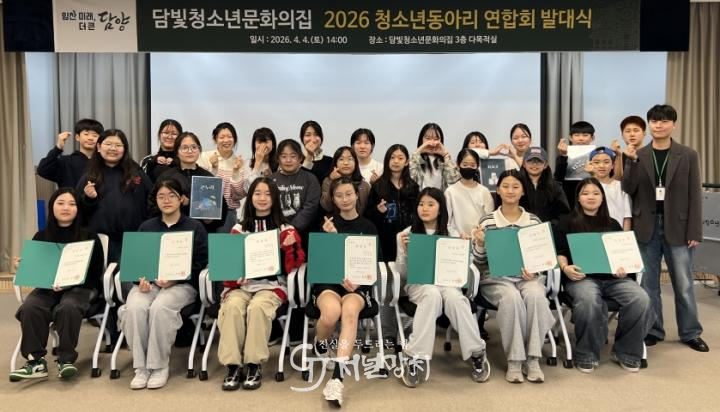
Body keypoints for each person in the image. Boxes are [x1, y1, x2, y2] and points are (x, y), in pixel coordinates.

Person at [621, 104, 708, 352]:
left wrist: (695, 230)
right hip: (646, 227)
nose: (658, 125)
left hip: (679, 227)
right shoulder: (638, 154)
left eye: (664, 121)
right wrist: (631, 162)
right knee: (649, 285)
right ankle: (653, 329)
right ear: (649, 125)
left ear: (674, 125)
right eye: (654, 121)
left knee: (684, 284)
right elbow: (628, 188)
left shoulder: (688, 155)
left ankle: (691, 332)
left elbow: (695, 194)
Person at [556, 178, 653, 372]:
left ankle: (626, 352)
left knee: (641, 298)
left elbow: (622, 256)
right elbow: (560, 252)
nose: (590, 197)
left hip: (613, 279)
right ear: (578, 198)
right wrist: (565, 268)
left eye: (595, 193)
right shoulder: (566, 222)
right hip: (582, 278)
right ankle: (586, 354)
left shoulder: (613, 224)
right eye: (585, 193)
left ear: (602, 198)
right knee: (589, 299)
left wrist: (623, 268)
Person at [394, 187, 489, 387]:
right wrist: (404, 252)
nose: (424, 208)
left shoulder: (452, 233)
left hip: (448, 283)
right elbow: (402, 274)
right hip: (420, 285)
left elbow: (463, 269)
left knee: (456, 299)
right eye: (421, 204)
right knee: (431, 294)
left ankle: (477, 352)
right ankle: (414, 356)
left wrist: (466, 249)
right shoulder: (406, 234)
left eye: (431, 204)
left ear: (440, 209)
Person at [119, 178, 208, 389]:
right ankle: (141, 367)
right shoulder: (146, 227)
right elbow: (137, 262)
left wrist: (175, 279)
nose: (166, 200)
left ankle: (159, 366)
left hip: (182, 285)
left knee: (160, 307)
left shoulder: (195, 227)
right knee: (134, 307)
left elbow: (202, 263)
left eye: (171, 196)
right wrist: (140, 280)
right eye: (161, 196)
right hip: (150, 284)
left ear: (182, 199)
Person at [218, 177, 305, 391]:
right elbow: (229, 265)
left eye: (267, 194)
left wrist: (289, 248)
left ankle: (253, 364)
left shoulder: (286, 229)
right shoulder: (238, 229)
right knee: (232, 307)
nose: (262, 198)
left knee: (257, 308)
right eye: (257, 193)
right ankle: (232, 365)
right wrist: (235, 278)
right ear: (250, 198)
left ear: (275, 198)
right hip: (241, 286)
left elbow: (294, 265)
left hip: (271, 287)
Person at [10, 188, 104, 381]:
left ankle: (66, 359)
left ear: (78, 209)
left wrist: (69, 283)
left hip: (81, 287)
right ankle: (35, 362)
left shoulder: (89, 237)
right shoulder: (41, 236)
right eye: (60, 203)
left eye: (72, 204)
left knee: (68, 306)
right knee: (31, 306)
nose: (66, 208)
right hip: (48, 287)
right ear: (52, 207)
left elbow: (96, 274)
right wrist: (25, 265)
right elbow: (37, 270)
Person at [471, 169, 554, 383]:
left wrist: (535, 269)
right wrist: (480, 243)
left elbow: (543, 257)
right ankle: (515, 360)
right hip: (496, 278)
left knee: (536, 296)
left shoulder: (533, 221)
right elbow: (479, 261)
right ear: (498, 190)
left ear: (523, 191)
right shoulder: (487, 221)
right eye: (505, 186)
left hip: (528, 277)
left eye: (516, 187)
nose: (510, 190)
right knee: (511, 298)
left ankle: (533, 358)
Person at [313, 177, 379, 407]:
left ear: (356, 195)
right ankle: (321, 342)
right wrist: (331, 238)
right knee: (331, 313)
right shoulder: (326, 225)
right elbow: (319, 262)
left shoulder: (368, 227)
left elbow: (373, 264)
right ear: (333, 199)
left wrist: (360, 282)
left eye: (349, 194)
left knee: (350, 312)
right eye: (339, 195)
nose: (345, 199)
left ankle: (337, 379)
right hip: (329, 283)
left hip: (357, 286)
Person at [77, 129, 153, 263]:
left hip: (133, 239)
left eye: (118, 145)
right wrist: (89, 199)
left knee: (130, 275)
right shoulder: (89, 177)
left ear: (124, 149)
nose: (113, 148)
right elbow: (78, 211)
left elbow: (152, 200)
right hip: (100, 240)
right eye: (108, 144)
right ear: (99, 147)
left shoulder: (137, 174)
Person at [157, 132, 229, 233]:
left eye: (194, 147)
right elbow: (153, 206)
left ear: (199, 150)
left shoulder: (208, 178)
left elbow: (221, 210)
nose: (190, 151)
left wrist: (211, 219)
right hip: (173, 232)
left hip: (202, 232)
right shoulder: (166, 177)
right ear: (177, 152)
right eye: (185, 148)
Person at [366, 144, 418, 262]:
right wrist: (378, 211)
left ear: (406, 162)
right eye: (392, 157)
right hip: (385, 241)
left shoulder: (413, 186)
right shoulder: (378, 186)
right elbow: (368, 214)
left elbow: (417, 213)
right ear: (387, 161)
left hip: (408, 239)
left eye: (400, 158)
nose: (396, 161)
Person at [197, 122, 249, 233]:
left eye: (230, 136)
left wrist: (235, 172)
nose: (226, 140)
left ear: (235, 139)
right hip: (203, 210)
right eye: (222, 137)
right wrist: (213, 169)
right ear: (215, 139)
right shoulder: (205, 157)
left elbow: (239, 195)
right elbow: (199, 187)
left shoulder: (239, 162)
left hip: (228, 213)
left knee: (223, 243)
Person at [270, 139, 321, 242]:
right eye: (284, 156)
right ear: (278, 159)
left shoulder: (310, 179)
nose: (288, 160)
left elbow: (310, 207)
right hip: (275, 234)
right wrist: (281, 230)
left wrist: (291, 229)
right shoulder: (270, 180)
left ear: (300, 158)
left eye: (293, 156)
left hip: (304, 235)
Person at [37, 118, 104, 188]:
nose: (90, 138)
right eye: (86, 134)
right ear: (77, 137)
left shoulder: (103, 163)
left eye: (94, 135)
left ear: (100, 140)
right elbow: (42, 170)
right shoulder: (65, 162)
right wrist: (58, 147)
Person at [445, 149, 494, 236]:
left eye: (472, 165)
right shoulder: (450, 192)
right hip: (458, 240)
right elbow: (447, 222)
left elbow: (489, 220)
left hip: (480, 240)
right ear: (458, 165)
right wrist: (457, 236)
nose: (468, 167)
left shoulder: (484, 191)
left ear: (477, 167)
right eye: (465, 164)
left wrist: (480, 235)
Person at [519, 147, 570, 224]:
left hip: (548, 230)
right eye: (530, 161)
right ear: (524, 164)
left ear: (545, 165)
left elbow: (564, 214)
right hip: (521, 229)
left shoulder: (555, 187)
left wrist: (549, 226)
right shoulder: (516, 185)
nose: (534, 164)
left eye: (539, 161)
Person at [586, 147, 632, 230]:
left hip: (617, 232)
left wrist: (625, 234)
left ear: (612, 165)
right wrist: (592, 174)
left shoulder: (620, 186)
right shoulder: (587, 187)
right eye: (596, 162)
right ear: (590, 165)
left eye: (606, 162)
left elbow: (627, 216)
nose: (601, 166)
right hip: (594, 231)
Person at [320, 146, 371, 215]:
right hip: (334, 220)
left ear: (356, 163)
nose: (346, 163)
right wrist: (332, 182)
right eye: (341, 159)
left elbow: (368, 210)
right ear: (335, 163)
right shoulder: (328, 181)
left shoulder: (364, 185)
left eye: (350, 159)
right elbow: (327, 207)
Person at [409, 123, 460, 190]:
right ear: (421, 139)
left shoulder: (445, 159)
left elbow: (453, 180)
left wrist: (445, 155)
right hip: (421, 196)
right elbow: (409, 178)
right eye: (428, 138)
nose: (432, 142)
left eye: (436, 139)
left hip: (439, 196)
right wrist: (418, 152)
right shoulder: (416, 159)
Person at [300, 120, 333, 184]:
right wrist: (309, 155)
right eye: (308, 135)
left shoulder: (330, 161)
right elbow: (301, 182)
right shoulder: (296, 160)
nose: (312, 139)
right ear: (302, 138)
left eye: (316, 134)